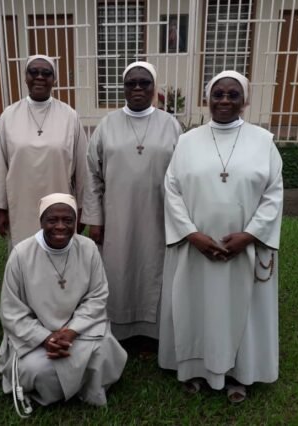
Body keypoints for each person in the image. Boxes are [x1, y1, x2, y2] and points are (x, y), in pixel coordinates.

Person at [159, 70, 283, 403]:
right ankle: (196, 370)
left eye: (233, 94)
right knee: (195, 308)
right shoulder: (187, 141)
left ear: (245, 100)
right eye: (218, 94)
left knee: (242, 313)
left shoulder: (263, 142)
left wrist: (250, 235)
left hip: (243, 249)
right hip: (196, 247)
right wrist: (191, 234)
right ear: (208, 98)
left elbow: (273, 194)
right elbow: (171, 190)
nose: (224, 100)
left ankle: (240, 374)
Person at [82, 62, 182, 343]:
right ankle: (118, 331)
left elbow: (183, 175)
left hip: (159, 217)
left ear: (154, 87)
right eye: (131, 83)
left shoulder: (171, 125)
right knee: (118, 270)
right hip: (117, 217)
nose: (137, 88)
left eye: (144, 83)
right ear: (123, 88)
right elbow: (92, 174)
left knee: (153, 269)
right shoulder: (107, 125)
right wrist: (95, 219)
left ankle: (152, 332)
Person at [0, 193, 127, 411]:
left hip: (80, 330)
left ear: (76, 221)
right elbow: (11, 311)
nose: (60, 226)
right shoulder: (21, 254)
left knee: (104, 350)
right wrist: (45, 338)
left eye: (68, 220)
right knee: (35, 369)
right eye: (52, 220)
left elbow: (97, 296)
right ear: (41, 221)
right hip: (35, 336)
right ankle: (78, 386)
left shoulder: (88, 248)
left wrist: (71, 331)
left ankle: (74, 388)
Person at [0, 55, 88, 247]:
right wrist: (0, 210)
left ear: (54, 79)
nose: (39, 77)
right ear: (25, 77)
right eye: (33, 72)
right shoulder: (9, 115)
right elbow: (0, 166)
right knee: (24, 252)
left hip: (60, 204)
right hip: (21, 203)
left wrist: (82, 209)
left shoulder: (69, 116)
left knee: (60, 252)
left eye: (46, 73)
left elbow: (82, 168)